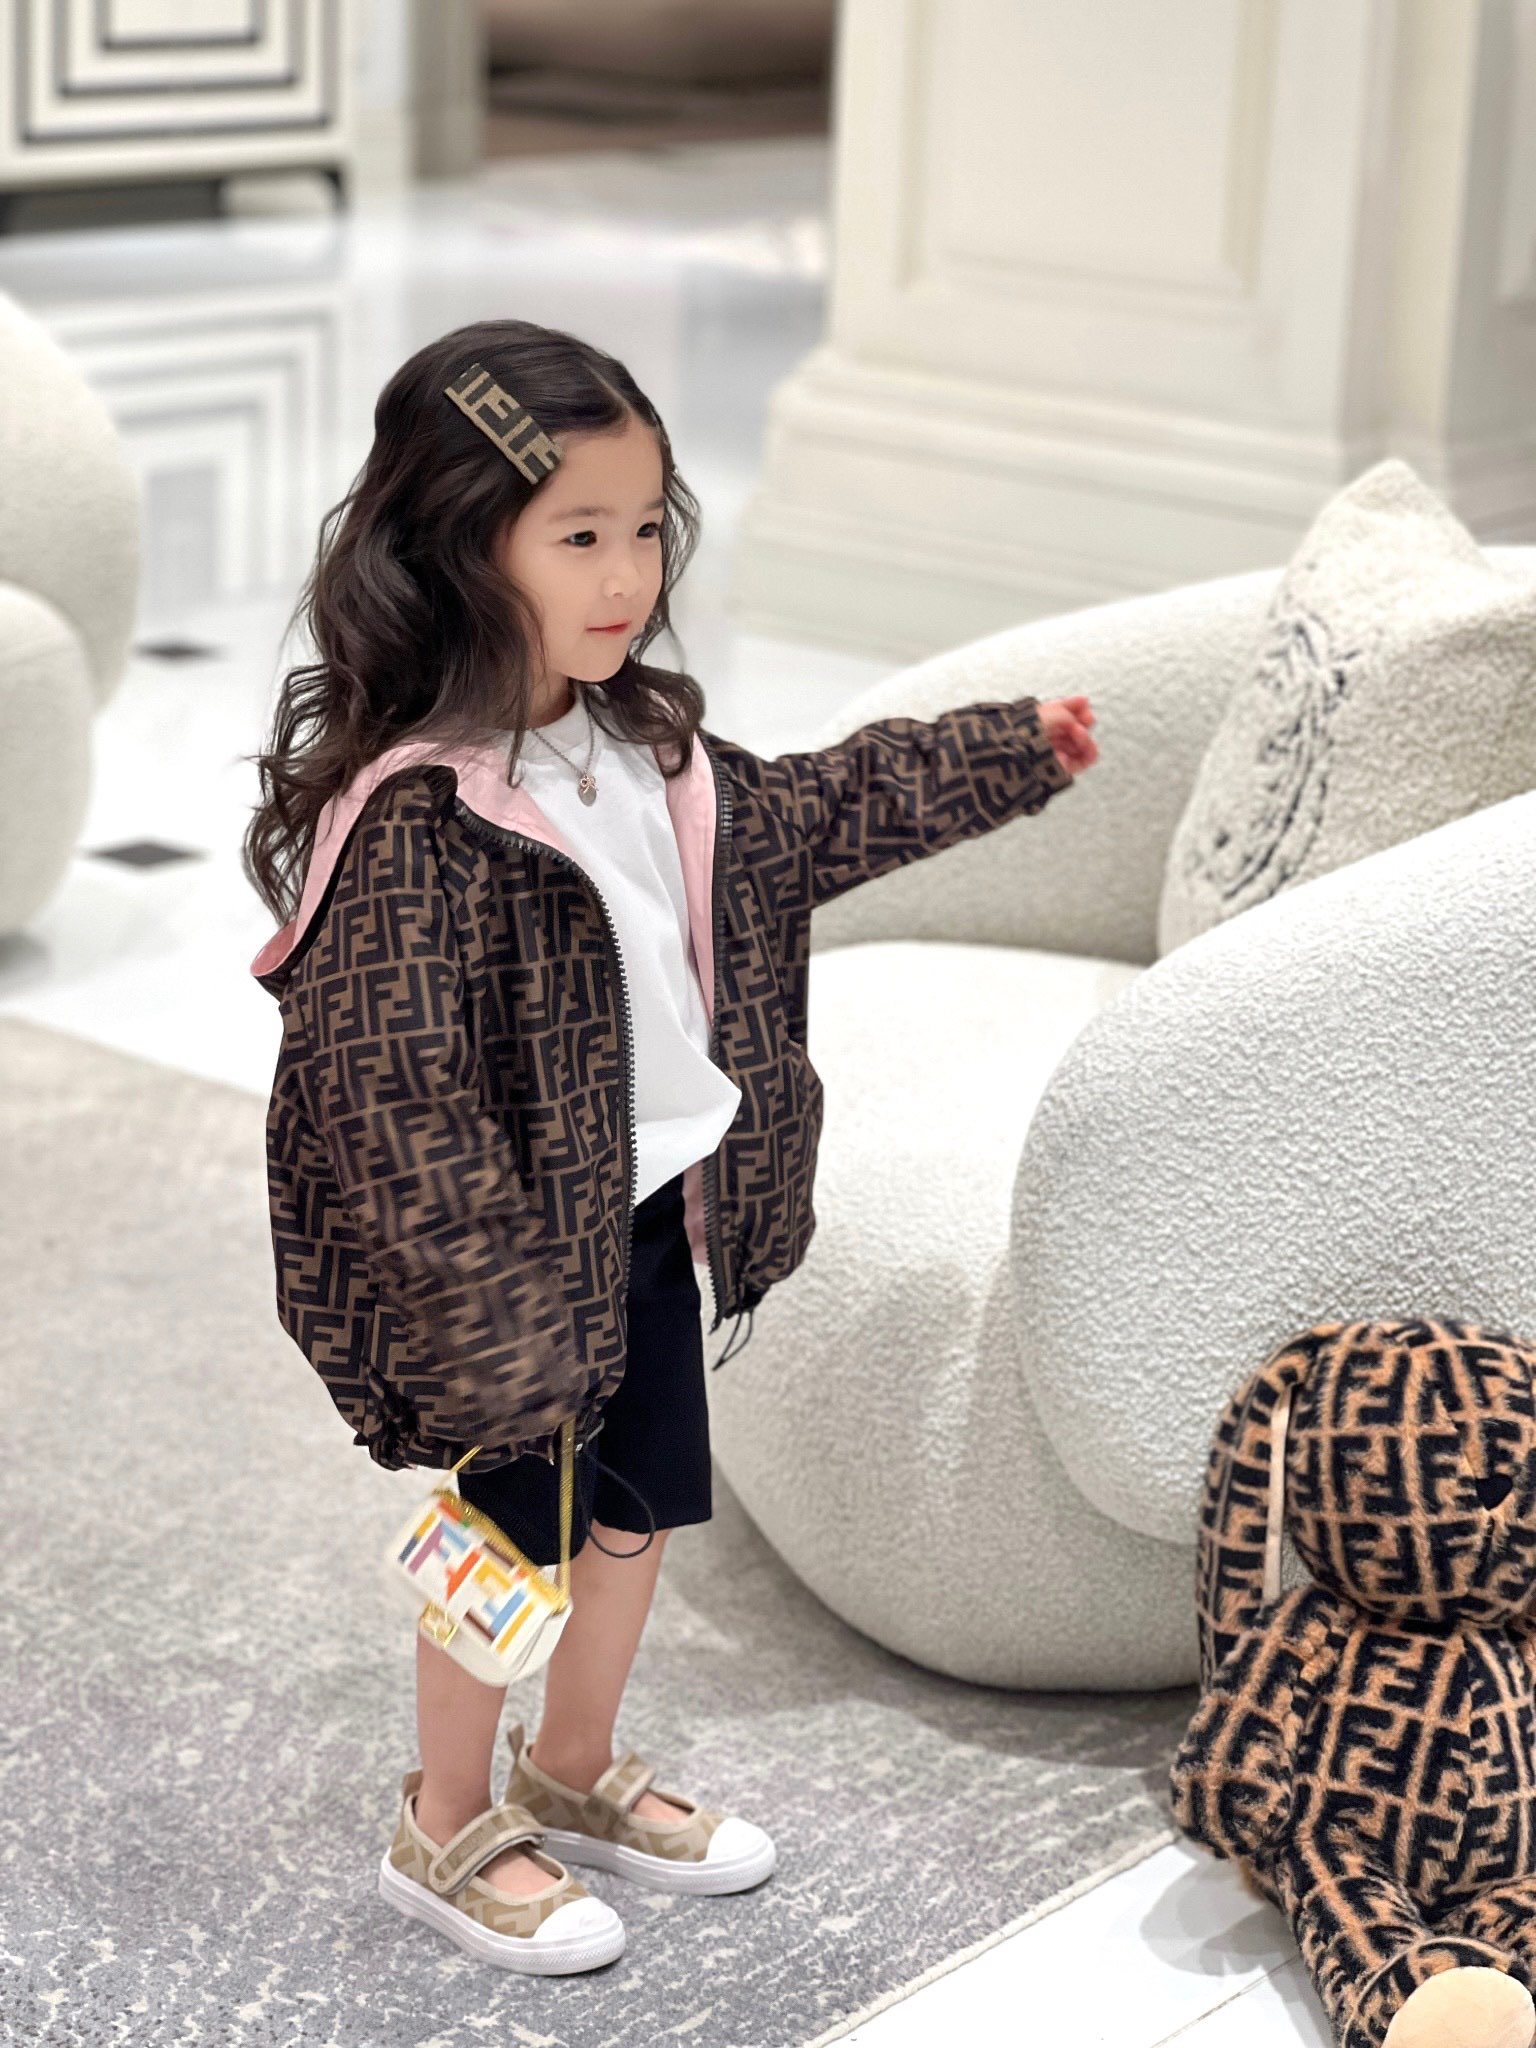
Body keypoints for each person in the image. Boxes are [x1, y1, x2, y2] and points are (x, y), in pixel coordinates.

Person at [242, 319, 1098, 1976]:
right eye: (578, 535)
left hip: (646, 1221)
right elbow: (388, 1097)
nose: (628, 574)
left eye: (646, 528)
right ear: (459, 544)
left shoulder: (649, 750)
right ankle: (443, 1817)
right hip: (508, 1277)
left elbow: (820, 811)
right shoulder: (423, 817)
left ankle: (568, 1770)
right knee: (505, 1543)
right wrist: (487, 1323)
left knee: (631, 1518)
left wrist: (1003, 756)